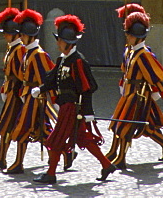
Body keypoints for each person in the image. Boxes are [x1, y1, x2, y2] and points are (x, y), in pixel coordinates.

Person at [31, 14, 116, 185]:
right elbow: (52, 78)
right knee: (82, 138)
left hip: (73, 107)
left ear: (67, 43)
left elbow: (88, 87)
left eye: (60, 41)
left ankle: (51, 173)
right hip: (65, 106)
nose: (57, 43)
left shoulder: (78, 61)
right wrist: (40, 89)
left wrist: (88, 112)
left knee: (56, 138)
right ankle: (107, 164)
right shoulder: (63, 60)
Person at [106, 11, 163, 169]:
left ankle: (120, 158)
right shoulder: (131, 51)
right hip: (128, 93)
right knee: (146, 126)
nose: (128, 37)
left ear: (138, 37)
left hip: (138, 96)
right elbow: (126, 72)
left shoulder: (144, 55)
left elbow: (155, 76)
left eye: (130, 35)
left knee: (125, 126)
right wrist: (122, 83)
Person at [5, 8, 56, 174]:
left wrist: (50, 99)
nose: (21, 37)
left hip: (36, 97)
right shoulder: (28, 52)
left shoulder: (38, 54)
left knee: (22, 127)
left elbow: (45, 79)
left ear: (30, 35)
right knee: (42, 130)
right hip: (27, 94)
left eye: (23, 35)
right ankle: (64, 153)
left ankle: (18, 163)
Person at [0, 7, 25, 170]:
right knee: (6, 126)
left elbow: (22, 74)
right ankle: (1, 158)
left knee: (26, 128)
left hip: (18, 93)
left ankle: (64, 152)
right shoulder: (12, 48)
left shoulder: (20, 49)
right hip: (11, 91)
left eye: (7, 32)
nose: (4, 35)